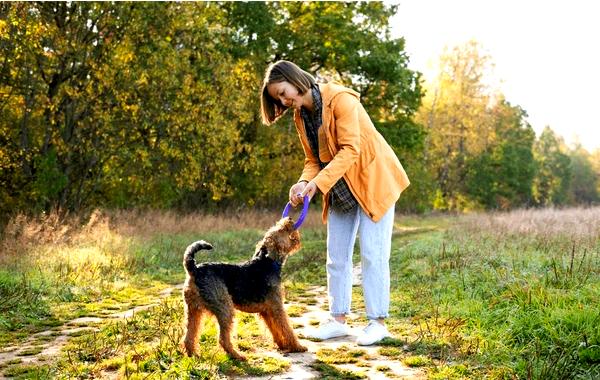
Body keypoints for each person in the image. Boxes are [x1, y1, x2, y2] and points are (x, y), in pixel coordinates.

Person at [260, 60, 410, 346]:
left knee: (372, 254)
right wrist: (303, 183)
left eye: (282, 92)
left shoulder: (340, 99)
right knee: (336, 257)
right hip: (339, 189)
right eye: (277, 98)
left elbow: (350, 149)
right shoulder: (301, 117)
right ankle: (338, 320)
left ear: (294, 79)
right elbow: (312, 161)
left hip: (372, 182)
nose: (283, 100)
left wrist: (318, 184)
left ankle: (377, 323)